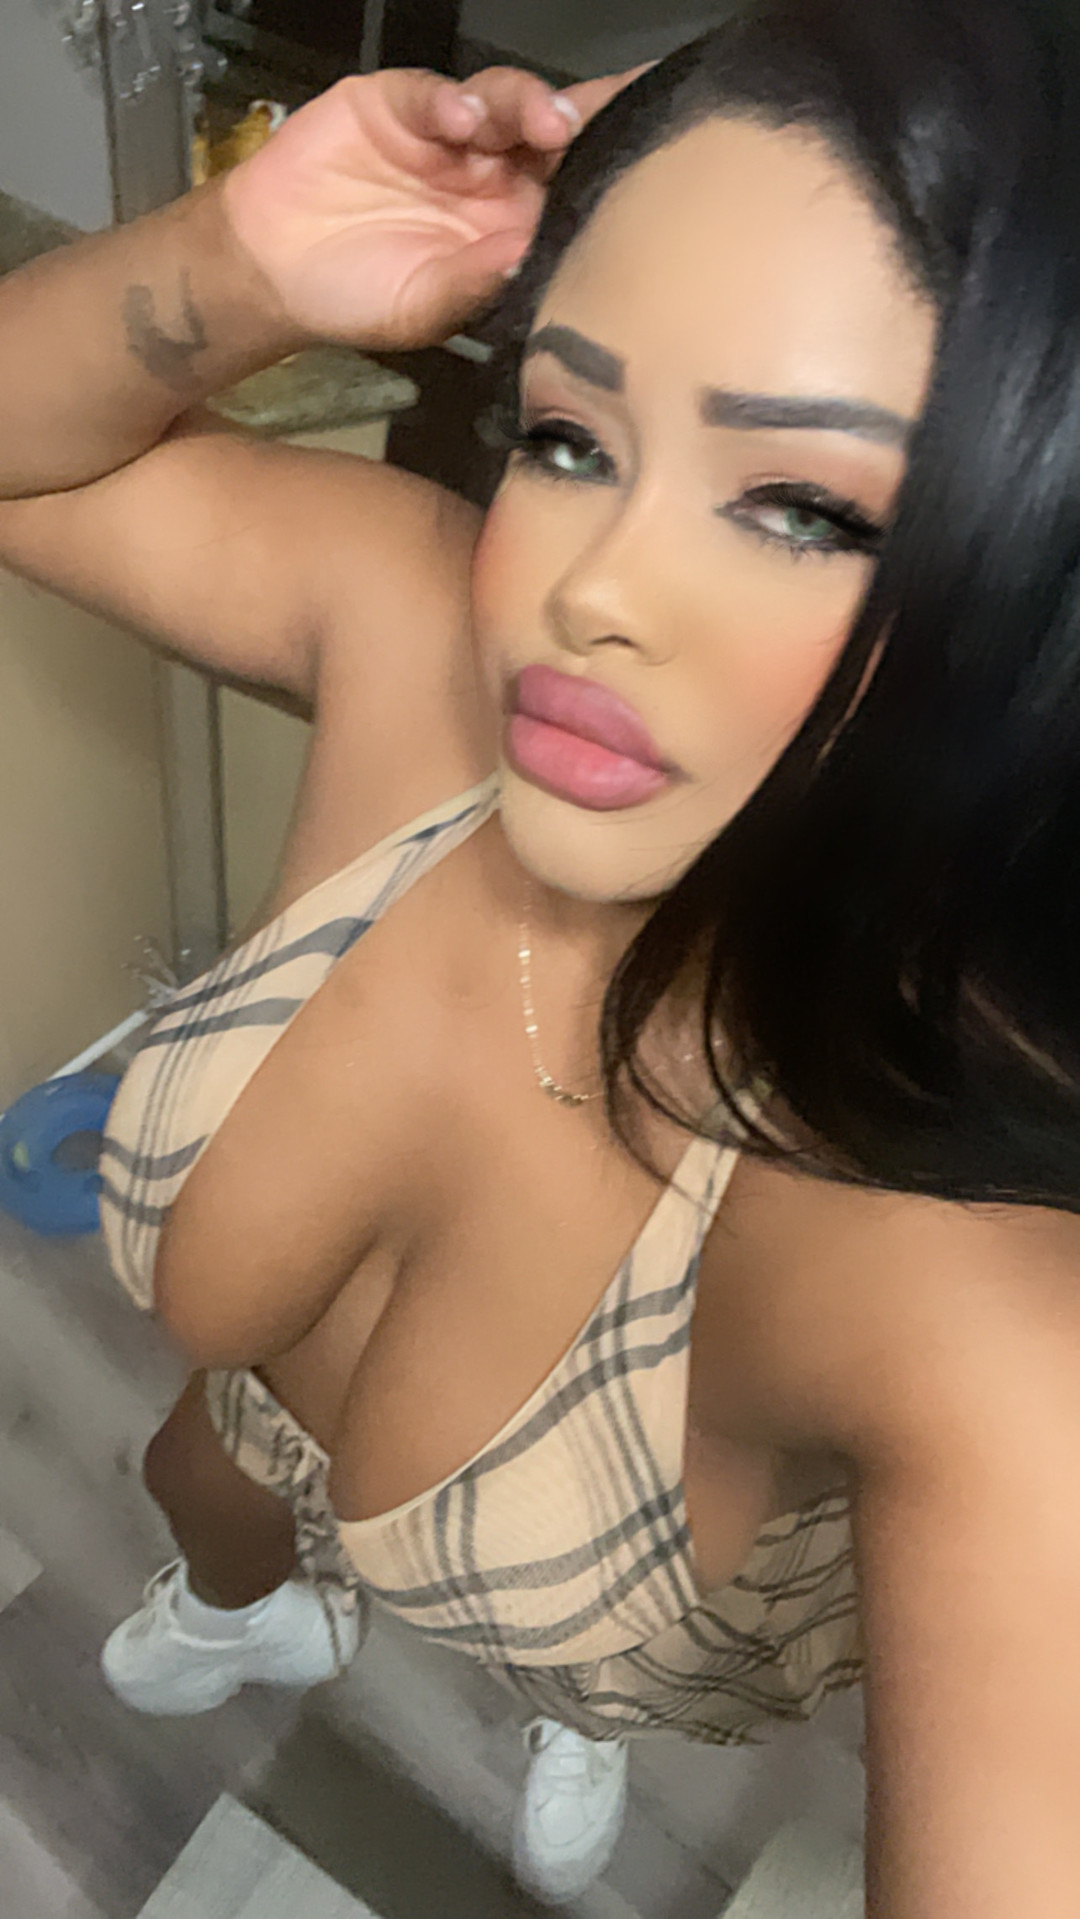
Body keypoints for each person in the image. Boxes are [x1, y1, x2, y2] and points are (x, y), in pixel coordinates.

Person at [3, 0, 1080, 1908]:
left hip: (599, 1615)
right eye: (572, 438)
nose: (590, 589)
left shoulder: (961, 1278)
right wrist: (241, 259)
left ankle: (570, 1701)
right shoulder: (418, 632)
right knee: (207, 1476)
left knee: (564, 1631)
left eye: (804, 505)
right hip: (261, 1422)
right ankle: (254, 1603)